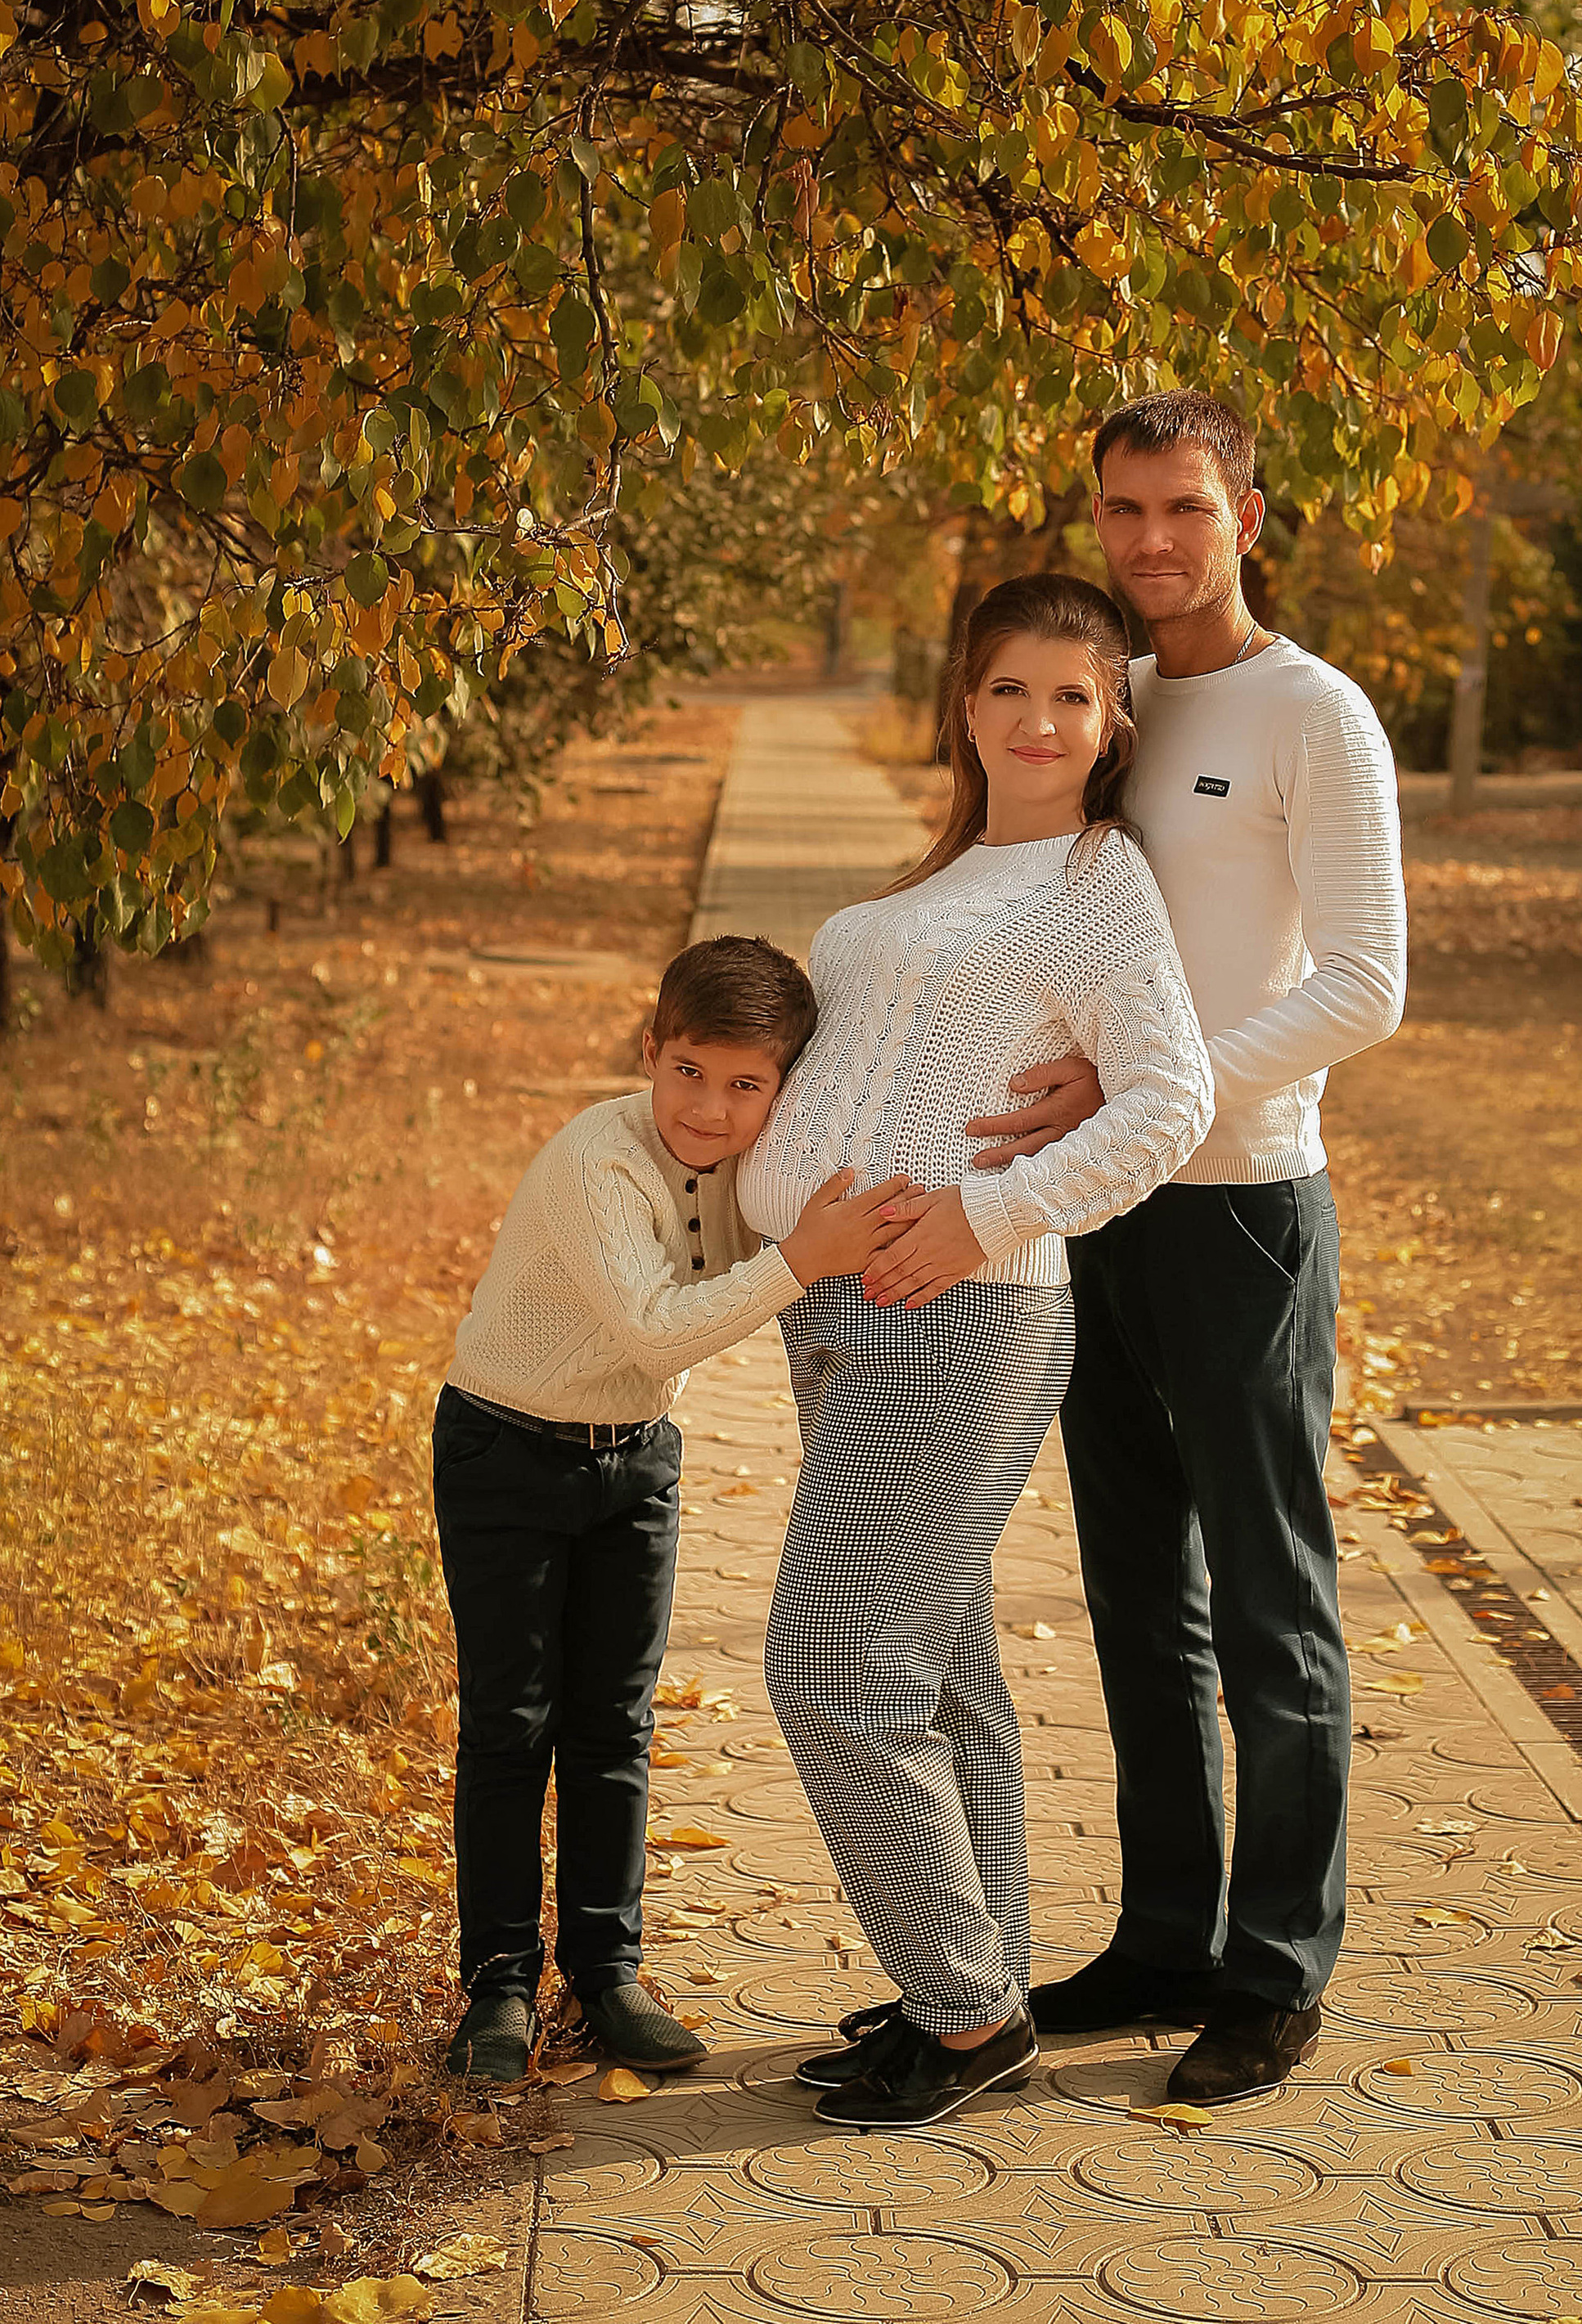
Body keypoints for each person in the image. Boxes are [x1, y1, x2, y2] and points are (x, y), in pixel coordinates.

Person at [735, 572, 1214, 2137]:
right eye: (1011, 689)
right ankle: (981, 1976)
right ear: (967, 704)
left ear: (1109, 722)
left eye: (1073, 696)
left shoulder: (1096, 883)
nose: (1038, 719)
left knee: (831, 1659)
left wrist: (988, 1216)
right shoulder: (919, 891)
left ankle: (962, 2015)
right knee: (933, 1662)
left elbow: (1166, 1102)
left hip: (965, 1312)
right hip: (838, 1318)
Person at [970, 392, 1406, 2106]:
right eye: (1119, 510)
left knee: (1270, 1609)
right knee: (1136, 1593)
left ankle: (1277, 1970)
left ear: (1246, 509)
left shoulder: (1317, 716)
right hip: (1095, 1215)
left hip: (1236, 1213)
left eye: (1180, 508)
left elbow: (1361, 988)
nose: (1148, 540)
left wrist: (1153, 1090)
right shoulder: (1109, 701)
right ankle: (1164, 1935)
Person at [433, 934, 906, 2084]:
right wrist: (802, 1258)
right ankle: (497, 1985)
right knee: (514, 1724)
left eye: (748, 1085)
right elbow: (656, 1326)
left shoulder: (760, 1161)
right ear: (652, 1050)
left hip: (636, 1462)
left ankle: (607, 1974)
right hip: (506, 1448)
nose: (711, 1107)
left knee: (617, 1728)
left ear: (782, 1092)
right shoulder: (601, 1159)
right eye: (690, 1070)